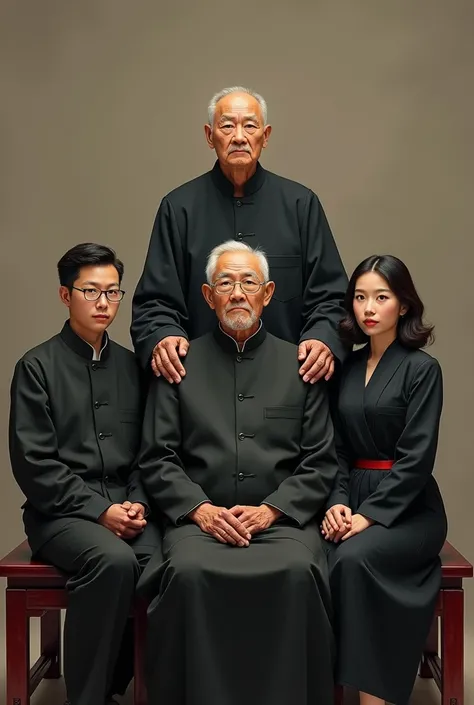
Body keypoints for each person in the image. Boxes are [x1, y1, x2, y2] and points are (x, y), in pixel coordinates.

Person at [136, 240, 340, 705]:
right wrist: (201, 511)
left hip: (283, 526)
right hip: (199, 524)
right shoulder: (180, 365)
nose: (238, 293)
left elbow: (320, 460)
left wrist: (272, 511)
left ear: (268, 293)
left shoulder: (299, 363)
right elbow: (157, 456)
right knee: (185, 574)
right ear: (208, 297)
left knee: (297, 572)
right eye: (225, 283)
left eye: (249, 282)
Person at [9, 243, 161, 705]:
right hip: (58, 515)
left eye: (113, 292)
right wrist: (100, 511)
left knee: (174, 559)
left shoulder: (135, 366)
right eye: (90, 290)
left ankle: (134, 686)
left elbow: (150, 452)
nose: (103, 303)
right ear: (64, 295)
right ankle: (90, 696)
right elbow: (34, 464)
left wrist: (137, 501)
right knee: (112, 561)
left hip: (129, 506)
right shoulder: (37, 366)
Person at [131, 85, 348, 385]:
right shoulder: (178, 208)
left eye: (250, 126)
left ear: (266, 135)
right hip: (199, 387)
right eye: (227, 125)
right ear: (210, 136)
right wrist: (162, 336)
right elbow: (155, 301)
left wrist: (324, 339)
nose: (239, 137)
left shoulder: (300, 205)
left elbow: (332, 296)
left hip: (287, 384)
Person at [321, 254, 447, 705]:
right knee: (317, 562)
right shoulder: (346, 369)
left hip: (408, 507)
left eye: (381, 297)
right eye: (360, 297)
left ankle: (374, 698)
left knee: (353, 561)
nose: (368, 307)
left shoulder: (422, 369)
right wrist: (336, 503)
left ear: (404, 305)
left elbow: (417, 458)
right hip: (349, 497)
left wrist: (369, 518)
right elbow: (333, 450)